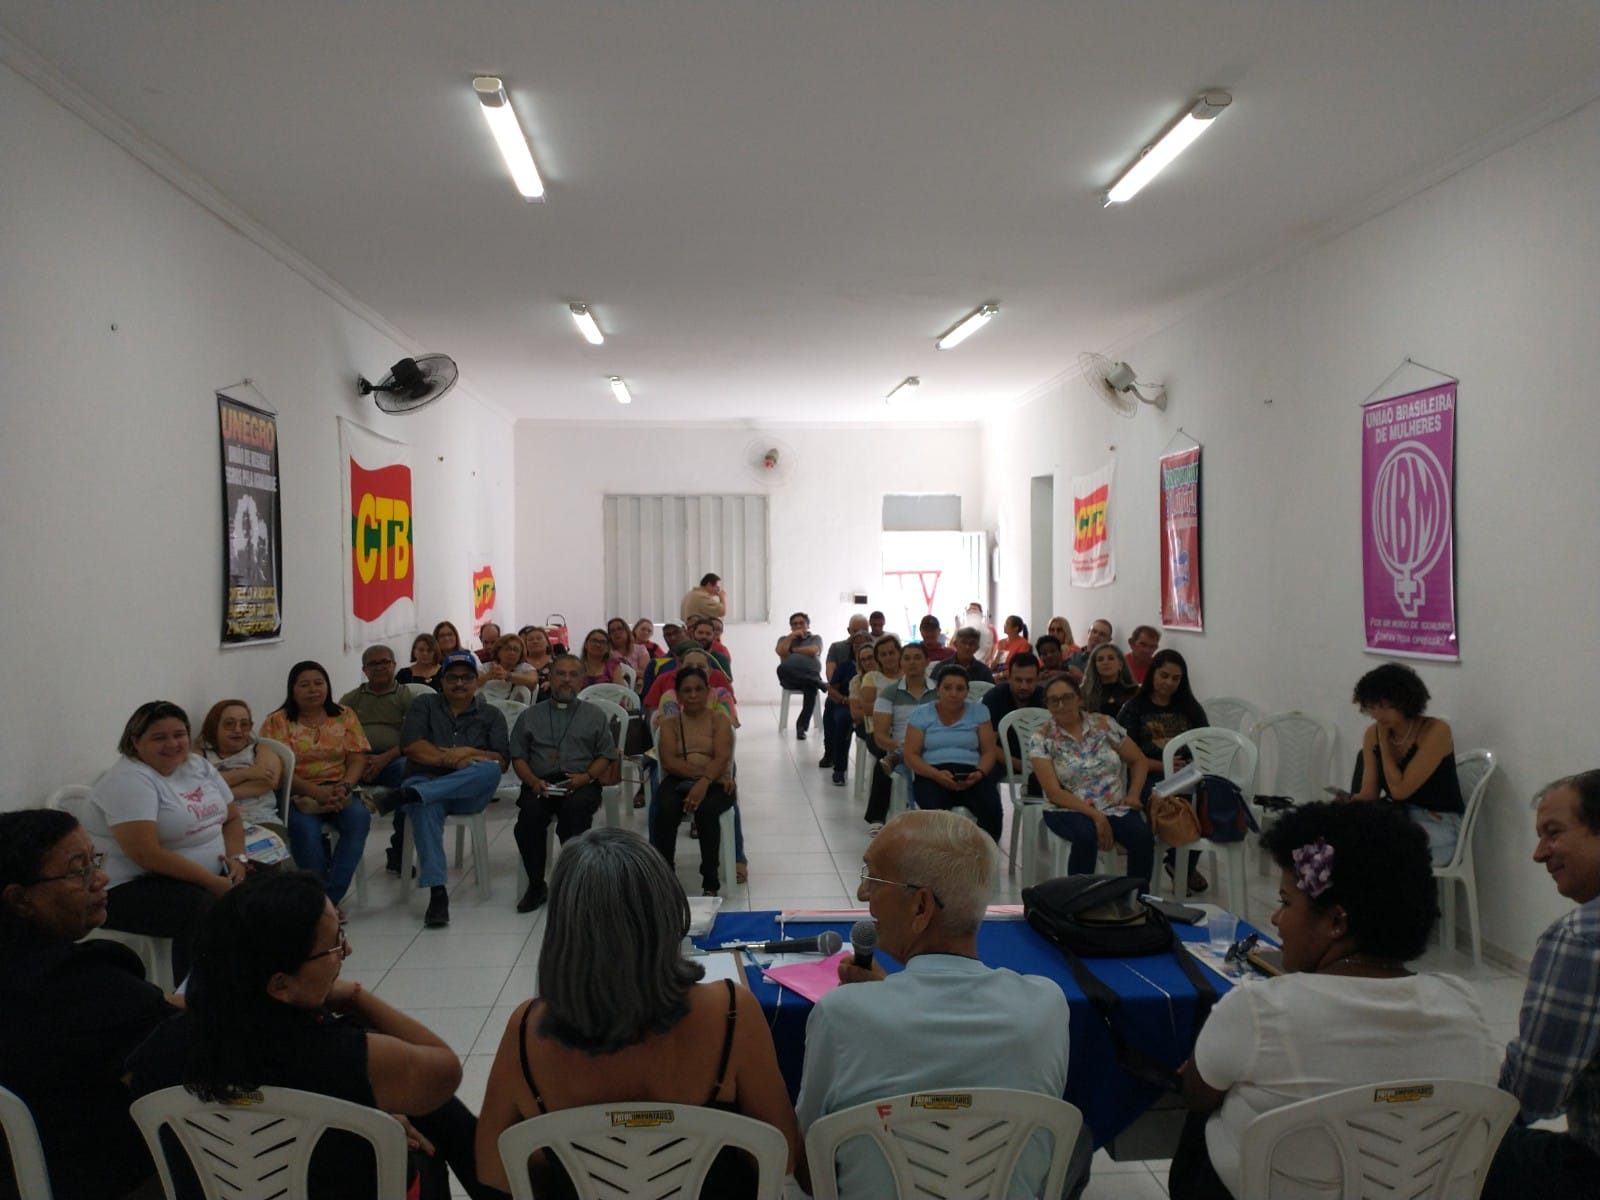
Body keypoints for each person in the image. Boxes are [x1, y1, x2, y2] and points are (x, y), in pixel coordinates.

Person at [1171, 802, 1496, 1200]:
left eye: (1286, 902)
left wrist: (1208, 1058)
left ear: (1336, 922)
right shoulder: (1464, 1008)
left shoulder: (1259, 1010)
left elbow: (1196, 1094)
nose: (1275, 920)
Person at [125, 871, 499, 1200]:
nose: (347, 950)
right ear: (280, 984)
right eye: (335, 944)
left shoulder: (159, 1047)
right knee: (430, 1135)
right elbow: (445, 1070)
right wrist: (357, 997)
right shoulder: (348, 1057)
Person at [475, 828, 800, 1197]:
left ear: (562, 929)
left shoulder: (528, 1031)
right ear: (666, 915)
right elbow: (783, 1156)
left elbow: (493, 1169)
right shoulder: (731, 1012)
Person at [795, 811, 1074, 1199]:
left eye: (873, 880)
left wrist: (878, 995)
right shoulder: (1046, 1007)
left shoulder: (841, 1014)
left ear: (921, 907)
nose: (862, 894)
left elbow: (811, 1166)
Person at [0, 809, 180, 1200]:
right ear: (19, 899)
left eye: (94, 861)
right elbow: (184, 1045)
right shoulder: (79, 981)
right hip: (93, 1175)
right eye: (78, 871)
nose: (101, 878)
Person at [1481, 770, 1600, 1200]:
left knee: (1459, 1154)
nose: (1538, 854)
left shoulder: (1581, 938)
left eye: (1553, 833)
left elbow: (1532, 1094)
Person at [85, 701, 246, 983]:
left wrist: (238, 859)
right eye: (159, 737)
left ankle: (254, 982)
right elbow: (146, 854)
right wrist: (212, 882)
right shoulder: (129, 780)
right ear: (135, 742)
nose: (172, 744)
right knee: (201, 907)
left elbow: (232, 818)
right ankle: (192, 996)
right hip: (125, 887)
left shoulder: (197, 765)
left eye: (179, 734)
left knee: (271, 887)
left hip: (195, 877)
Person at [398, 650, 511, 928]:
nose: (459, 683)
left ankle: (414, 795)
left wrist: (469, 752)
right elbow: (412, 747)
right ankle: (438, 893)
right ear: (442, 680)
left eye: (466, 678)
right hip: (425, 780)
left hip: (467, 794)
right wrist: (455, 760)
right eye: (452, 678)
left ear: (476, 681)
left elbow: (501, 761)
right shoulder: (424, 704)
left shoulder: (491, 714)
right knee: (425, 805)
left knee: (488, 769)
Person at [509, 654, 620, 913]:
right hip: (539, 783)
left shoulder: (594, 715)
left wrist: (586, 777)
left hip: (581, 782)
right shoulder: (530, 716)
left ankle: (576, 885)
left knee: (575, 815)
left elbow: (606, 755)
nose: (567, 680)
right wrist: (533, 781)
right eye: (561, 674)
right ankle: (536, 885)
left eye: (573, 675)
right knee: (529, 820)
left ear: (582, 680)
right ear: (550, 677)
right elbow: (518, 757)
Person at [260, 661, 373, 906]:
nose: (313, 690)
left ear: (327, 686)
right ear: (292, 689)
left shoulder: (344, 715)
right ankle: (321, 901)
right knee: (305, 831)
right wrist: (315, 792)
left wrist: (345, 786)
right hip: (295, 791)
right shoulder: (277, 722)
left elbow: (357, 758)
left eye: (318, 683)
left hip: (340, 788)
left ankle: (327, 900)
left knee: (359, 819)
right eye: (304, 685)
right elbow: (277, 771)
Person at [1029, 676, 1152, 882]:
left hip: (1113, 805)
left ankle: (1137, 897)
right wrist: (1096, 816)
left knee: (1142, 837)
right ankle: (1080, 897)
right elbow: (1054, 792)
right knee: (1086, 836)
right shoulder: (1041, 738)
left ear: (1080, 699)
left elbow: (1138, 760)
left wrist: (1133, 795)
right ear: (1047, 705)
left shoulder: (1103, 724)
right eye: (1054, 700)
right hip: (1067, 808)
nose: (1061, 705)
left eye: (1067, 698)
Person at [1348, 662, 1463, 866]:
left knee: (1380, 848)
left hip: (1440, 824)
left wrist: (1384, 742)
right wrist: (1344, 804)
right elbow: (1369, 793)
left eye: (1385, 707)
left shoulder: (1436, 731)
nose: (1378, 715)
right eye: (1373, 707)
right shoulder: (1372, 734)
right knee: (1346, 836)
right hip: (1399, 817)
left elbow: (1400, 791)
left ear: (1405, 702)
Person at [1118, 648, 1210, 893]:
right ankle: (1174, 863)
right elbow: (1125, 753)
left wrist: (1189, 767)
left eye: (1176, 678)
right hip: (1147, 775)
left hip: (1187, 774)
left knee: (1208, 801)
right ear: (1153, 674)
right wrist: (1162, 765)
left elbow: (1204, 744)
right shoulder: (1134, 707)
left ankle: (1181, 864)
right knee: (1170, 803)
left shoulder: (1190, 708)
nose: (1169, 683)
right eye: (1164, 676)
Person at [652, 666, 738, 895]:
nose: (693, 695)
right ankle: (664, 876)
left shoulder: (719, 720)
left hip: (716, 782)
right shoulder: (669, 723)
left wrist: (705, 783)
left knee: (707, 811)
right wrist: (707, 777)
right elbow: (669, 762)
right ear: (678, 695)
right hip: (682, 779)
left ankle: (710, 881)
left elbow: (722, 757)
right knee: (665, 808)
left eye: (699, 689)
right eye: (687, 690)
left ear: (707, 692)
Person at [901, 666, 1004, 841]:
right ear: (938, 690)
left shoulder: (979, 712)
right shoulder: (922, 713)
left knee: (991, 807)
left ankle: (985, 852)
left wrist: (979, 774)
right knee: (934, 812)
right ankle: (941, 854)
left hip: (971, 773)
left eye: (960, 688)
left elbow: (988, 752)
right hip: (932, 773)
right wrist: (936, 775)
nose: (954, 694)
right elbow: (911, 755)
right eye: (947, 688)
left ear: (967, 692)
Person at [341, 645, 425, 792]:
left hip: (394, 759)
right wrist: (359, 761)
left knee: (410, 768)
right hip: (357, 760)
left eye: (384, 662)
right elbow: (337, 734)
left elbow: (416, 738)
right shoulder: (351, 699)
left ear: (394, 665)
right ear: (364, 670)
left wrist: (383, 759)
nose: (379, 668)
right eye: (373, 664)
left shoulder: (408, 697)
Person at [869, 641, 934, 832]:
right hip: (902, 746)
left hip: (935, 747)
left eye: (917, 658)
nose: (912, 662)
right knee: (901, 760)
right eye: (907, 658)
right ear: (901, 662)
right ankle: (879, 819)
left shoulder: (940, 690)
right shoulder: (889, 693)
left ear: (927, 661)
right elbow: (880, 736)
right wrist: (899, 746)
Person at [199, 698, 284, 834]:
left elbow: (268, 782)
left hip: (260, 820)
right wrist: (248, 773)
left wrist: (219, 793)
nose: (238, 730)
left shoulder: (260, 750)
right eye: (229, 724)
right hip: (215, 823)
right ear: (214, 726)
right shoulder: (200, 755)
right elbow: (198, 786)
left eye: (244, 724)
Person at [983, 650, 1048, 789]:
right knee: (984, 774)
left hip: (1043, 761)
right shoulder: (994, 697)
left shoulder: (1047, 699)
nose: (1024, 686)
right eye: (1018, 680)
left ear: (1038, 679)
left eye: (1029, 681)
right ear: (1009, 677)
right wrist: (1021, 765)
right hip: (1003, 760)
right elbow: (988, 744)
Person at [821, 631, 869, 786]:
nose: (859, 647)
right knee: (843, 719)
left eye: (863, 644)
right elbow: (832, 689)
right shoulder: (845, 666)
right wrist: (843, 699)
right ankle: (839, 769)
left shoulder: (878, 669)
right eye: (856, 644)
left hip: (870, 705)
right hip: (846, 703)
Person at [775, 611, 825, 740]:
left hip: (810, 674)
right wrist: (792, 636)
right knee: (781, 668)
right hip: (790, 677)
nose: (798, 626)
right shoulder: (784, 639)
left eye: (801, 623)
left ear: (808, 625)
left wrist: (792, 651)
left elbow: (813, 650)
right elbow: (780, 651)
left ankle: (801, 727)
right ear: (791, 627)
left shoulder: (815, 638)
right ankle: (817, 683)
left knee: (810, 687)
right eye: (794, 624)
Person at [1080, 642, 1138, 718]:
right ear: (1094, 666)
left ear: (1120, 664)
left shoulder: (1134, 691)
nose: (1105, 662)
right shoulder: (1084, 692)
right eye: (1100, 659)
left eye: (1111, 658)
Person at [477, 632, 535, 705]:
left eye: (516, 650)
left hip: (515, 709)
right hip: (487, 706)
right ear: (498, 651)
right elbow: (473, 682)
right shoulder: (487, 667)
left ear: (520, 654)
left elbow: (533, 681)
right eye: (507, 649)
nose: (512, 652)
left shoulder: (524, 667)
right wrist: (489, 675)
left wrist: (508, 675)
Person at [931, 626, 996, 685]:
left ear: (977, 648)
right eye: (964, 642)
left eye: (972, 643)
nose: (967, 647)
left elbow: (992, 691)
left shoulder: (984, 671)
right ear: (955, 644)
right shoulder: (941, 668)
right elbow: (931, 691)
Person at [606, 616, 649, 689]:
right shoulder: (608, 654)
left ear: (627, 631)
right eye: (612, 631)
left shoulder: (640, 649)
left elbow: (646, 673)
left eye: (620, 629)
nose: (616, 633)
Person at [519, 625, 556, 701]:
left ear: (547, 642)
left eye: (539, 638)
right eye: (530, 640)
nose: (535, 641)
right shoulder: (520, 663)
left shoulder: (558, 662)